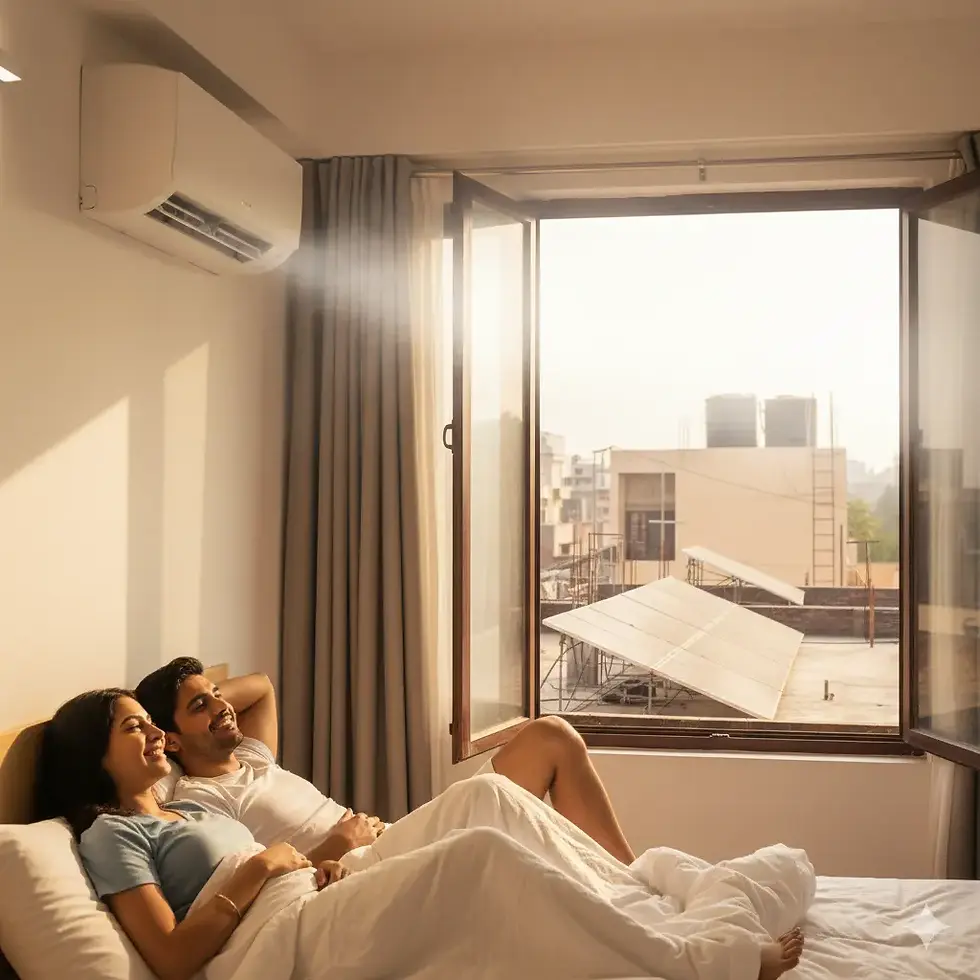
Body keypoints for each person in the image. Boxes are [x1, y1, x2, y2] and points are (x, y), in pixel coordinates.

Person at [38, 687, 807, 980]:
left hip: (312, 889)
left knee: (491, 806)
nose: (155, 738)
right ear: (90, 757)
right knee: (482, 858)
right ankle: (705, 962)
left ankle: (642, 897)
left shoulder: (191, 807)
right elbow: (171, 958)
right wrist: (264, 869)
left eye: (151, 726)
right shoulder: (112, 837)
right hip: (278, 942)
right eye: (135, 728)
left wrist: (311, 867)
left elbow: (257, 694)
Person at [134, 658, 637, 865]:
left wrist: (207, 699)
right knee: (540, 748)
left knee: (550, 736)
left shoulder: (250, 756)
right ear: (170, 740)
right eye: (200, 707)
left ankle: (629, 879)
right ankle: (630, 886)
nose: (223, 707)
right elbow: (253, 883)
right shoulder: (198, 802)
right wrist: (338, 843)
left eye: (219, 695)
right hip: (360, 864)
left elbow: (262, 686)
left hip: (392, 835)